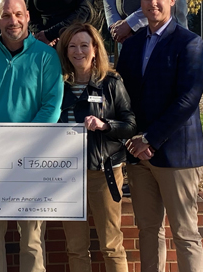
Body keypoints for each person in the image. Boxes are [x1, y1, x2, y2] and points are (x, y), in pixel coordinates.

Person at [0, 0, 63, 272]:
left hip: (31, 158)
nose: (13, 21)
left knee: (32, 238)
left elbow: (51, 107)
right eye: (6, 15)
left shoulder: (46, 57)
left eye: (18, 14)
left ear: (28, 17)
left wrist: (23, 145)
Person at [117, 0, 203, 272]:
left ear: (171, 0)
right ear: (140, 4)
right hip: (138, 156)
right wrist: (133, 139)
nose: (152, 3)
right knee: (148, 230)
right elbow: (123, 97)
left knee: (185, 233)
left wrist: (150, 138)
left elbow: (188, 99)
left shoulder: (189, 43)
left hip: (176, 154)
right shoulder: (131, 46)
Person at [56, 23, 136, 272]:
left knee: (111, 244)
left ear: (94, 49)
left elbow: (130, 124)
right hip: (67, 176)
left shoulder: (110, 83)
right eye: (72, 46)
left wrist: (105, 124)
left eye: (84, 45)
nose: (78, 51)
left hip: (103, 172)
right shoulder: (58, 84)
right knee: (76, 247)